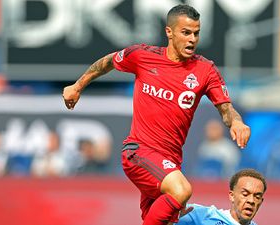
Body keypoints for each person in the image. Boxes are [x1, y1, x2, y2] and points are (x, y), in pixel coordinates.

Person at [62, 4, 251, 225]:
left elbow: (225, 108)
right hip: (138, 152)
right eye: (186, 32)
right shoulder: (142, 56)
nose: (192, 39)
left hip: (169, 162)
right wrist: (77, 86)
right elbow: (109, 61)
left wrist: (236, 123)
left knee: (170, 219)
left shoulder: (205, 70)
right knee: (181, 190)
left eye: (196, 33)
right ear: (169, 32)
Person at [174, 169, 266, 225]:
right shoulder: (204, 215)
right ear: (232, 196)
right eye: (245, 194)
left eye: (257, 197)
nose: (251, 200)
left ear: (261, 202)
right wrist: (173, 215)